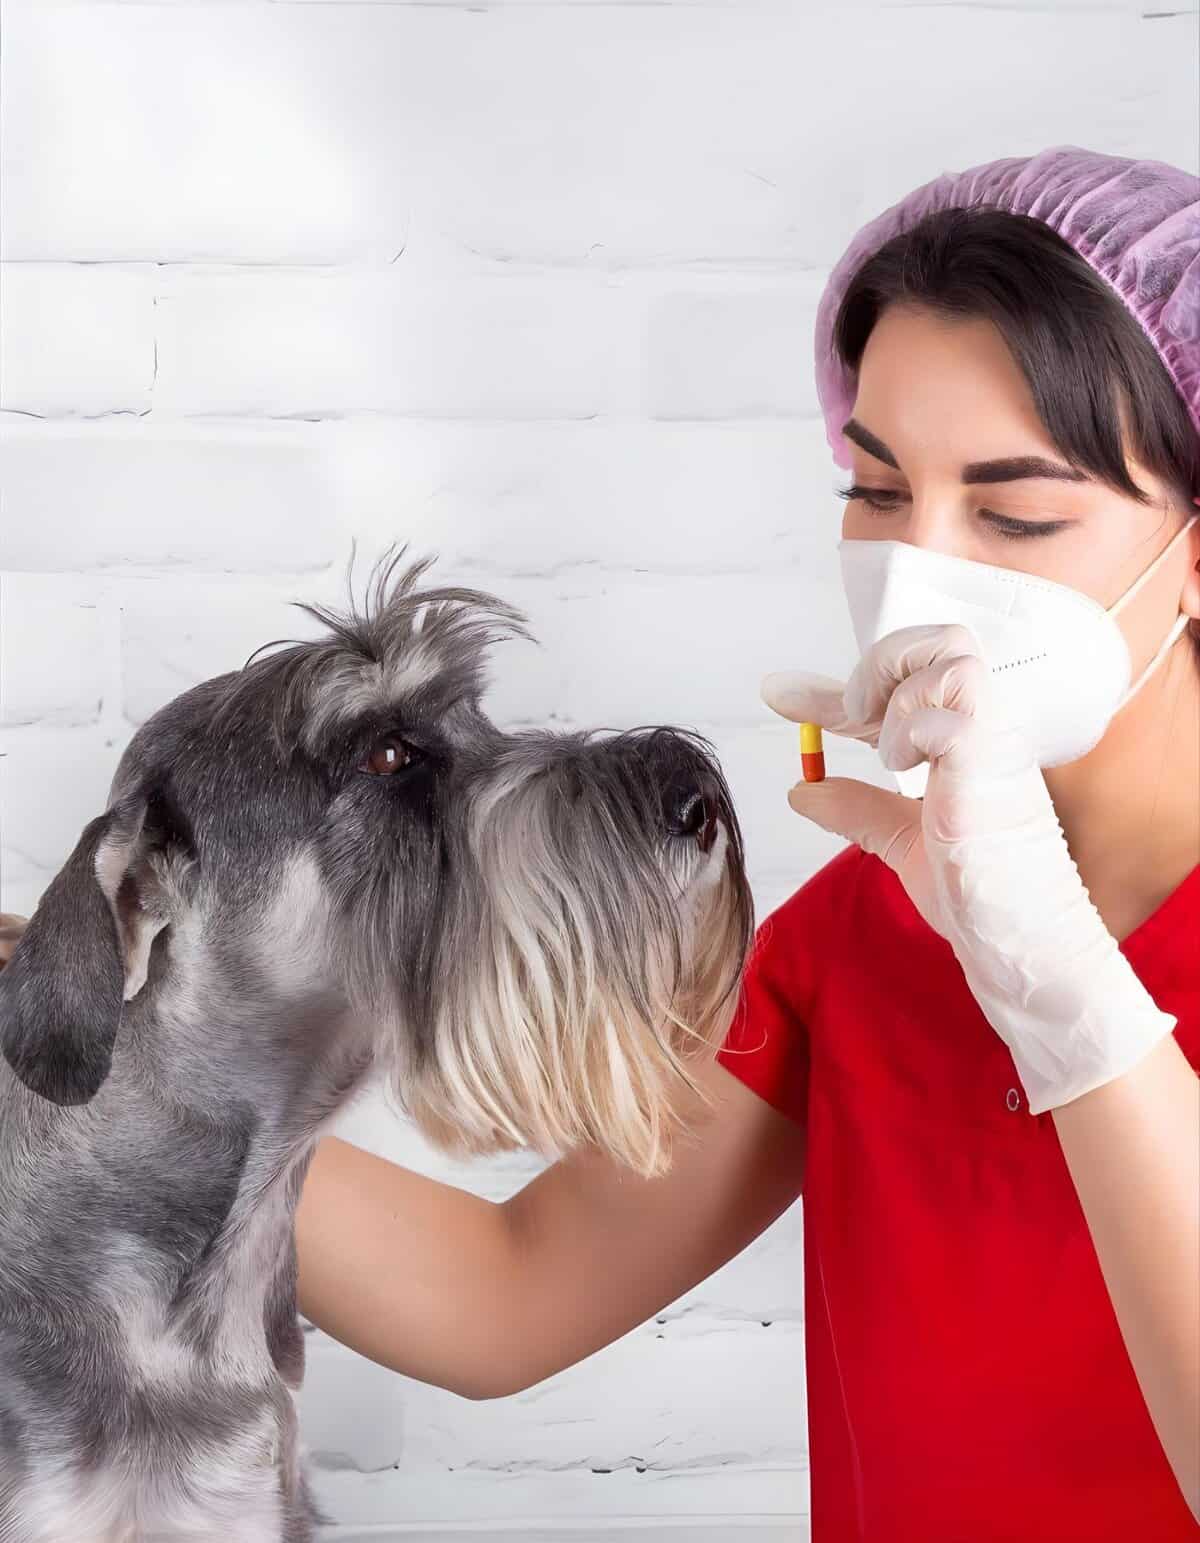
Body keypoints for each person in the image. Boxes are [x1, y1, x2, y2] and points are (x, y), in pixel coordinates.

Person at [5, 148, 1198, 1540]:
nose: (924, 569)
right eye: (875, 493)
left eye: (1015, 513)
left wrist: (1064, 987)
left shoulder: (989, 931)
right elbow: (509, 1289)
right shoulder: (870, 934)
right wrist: (88, 1032)